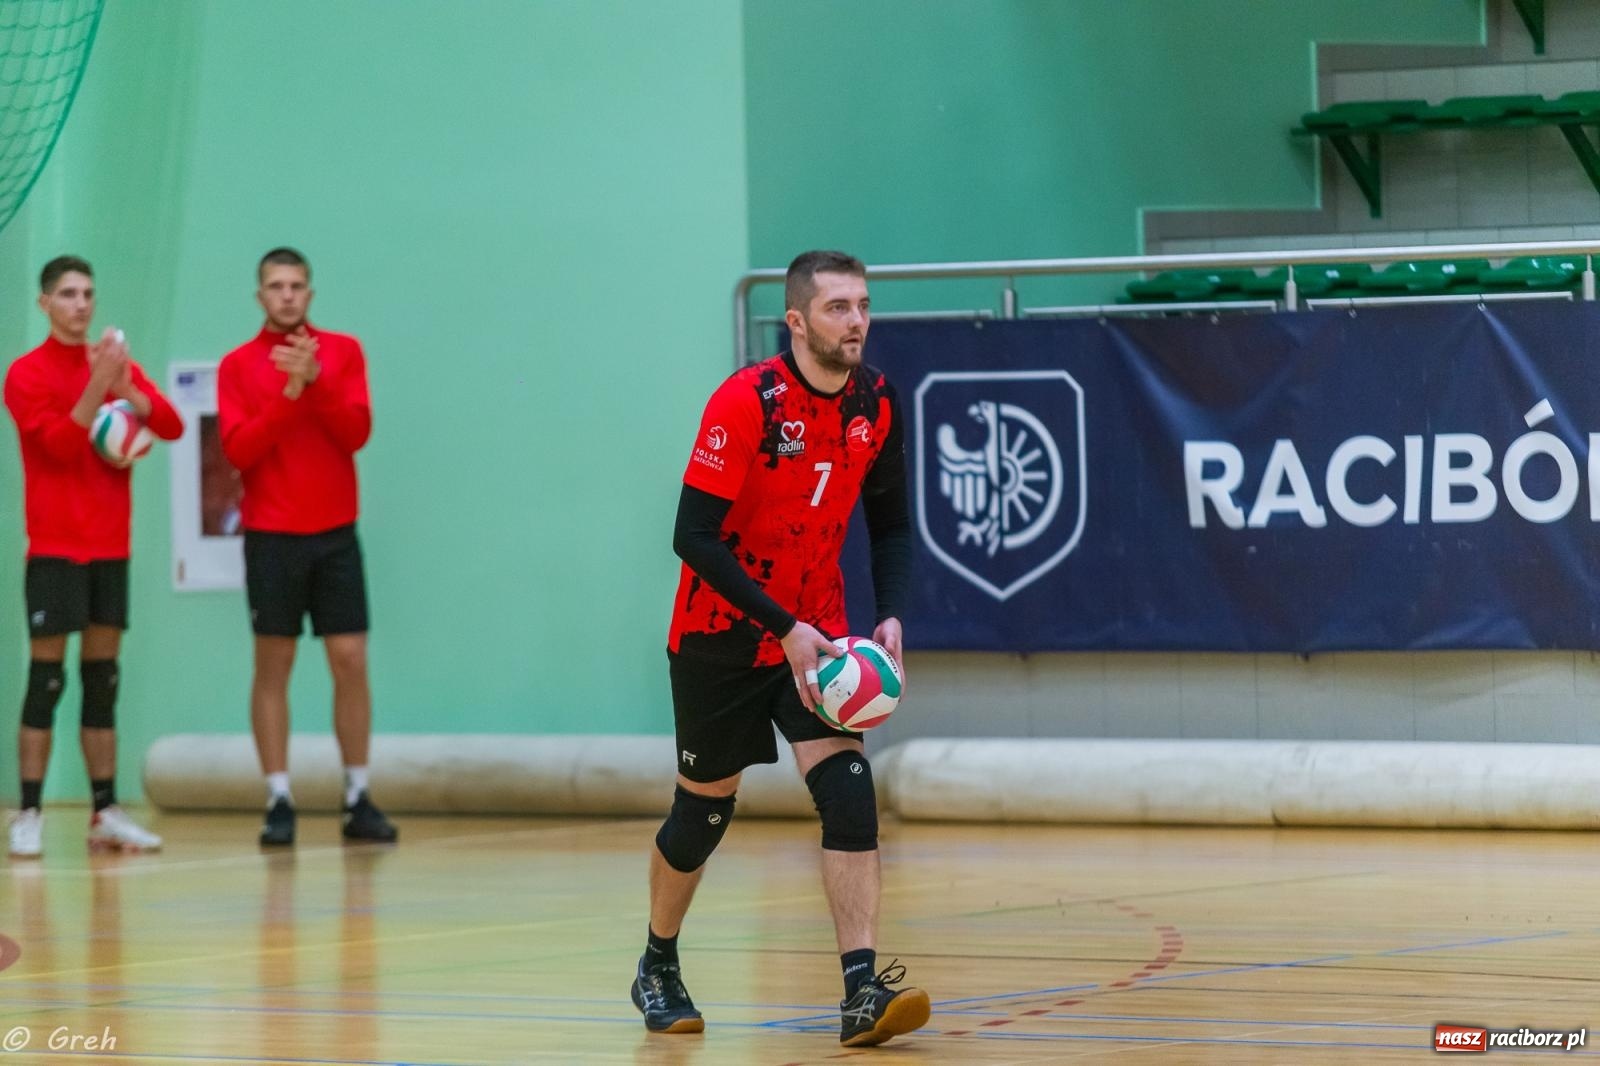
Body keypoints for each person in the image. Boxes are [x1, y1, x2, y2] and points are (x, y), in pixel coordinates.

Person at [633, 250, 928, 1047]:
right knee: (703, 815)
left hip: (820, 638)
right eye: (837, 308)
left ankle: (861, 990)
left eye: (863, 304)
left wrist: (891, 613)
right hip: (721, 636)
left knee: (850, 791)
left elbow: (891, 524)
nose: (857, 321)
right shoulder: (746, 403)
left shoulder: (877, 402)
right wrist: (780, 625)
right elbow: (691, 537)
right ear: (796, 321)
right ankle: (657, 963)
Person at [4, 255, 184, 858]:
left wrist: (127, 388)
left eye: (88, 294)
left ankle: (105, 810)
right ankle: (28, 811)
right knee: (46, 680)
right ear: (45, 304)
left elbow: (174, 426)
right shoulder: (25, 374)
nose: (81, 304)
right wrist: (98, 385)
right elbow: (57, 445)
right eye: (67, 294)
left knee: (101, 680)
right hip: (55, 548)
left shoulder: (111, 365)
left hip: (111, 546)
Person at [217, 247, 395, 848]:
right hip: (272, 535)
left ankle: (357, 795)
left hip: (335, 532)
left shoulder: (342, 352)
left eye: (296, 285)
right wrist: (288, 392)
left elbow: (357, 433)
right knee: (275, 663)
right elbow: (239, 452)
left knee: (350, 659)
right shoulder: (238, 365)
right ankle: (279, 797)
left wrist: (315, 384)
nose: (287, 295)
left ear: (310, 294)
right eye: (275, 285)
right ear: (260, 296)